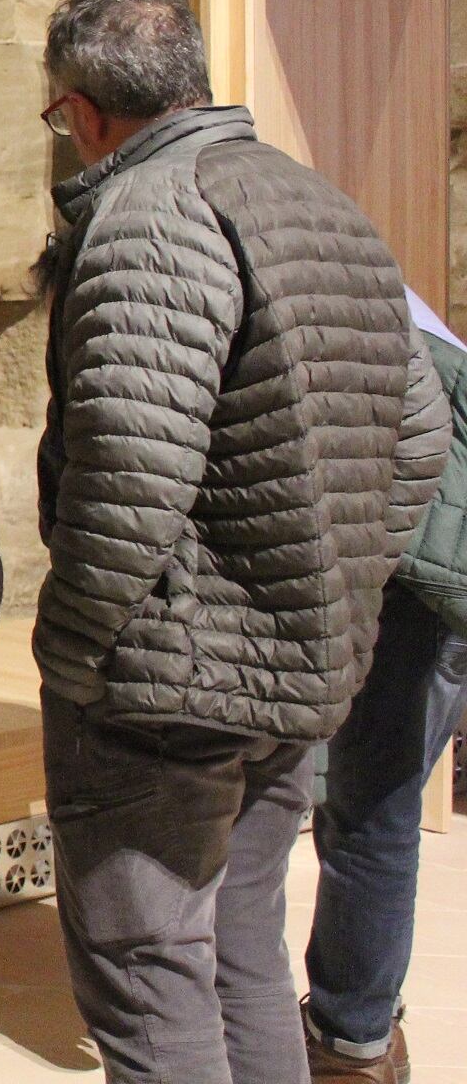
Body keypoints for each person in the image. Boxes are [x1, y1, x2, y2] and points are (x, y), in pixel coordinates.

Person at [31, 0, 447, 1084]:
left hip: (167, 688)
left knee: (150, 969)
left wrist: (71, 650)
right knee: (240, 951)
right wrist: (337, 588)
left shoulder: (151, 216)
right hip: (302, 668)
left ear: (79, 111)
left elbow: (130, 472)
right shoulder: (324, 204)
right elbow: (418, 436)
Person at [303, 291, 467, 1082]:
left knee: (373, 811)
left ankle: (351, 1040)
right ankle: (361, 1024)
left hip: (424, 571)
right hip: (430, 559)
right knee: (367, 807)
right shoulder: (357, 268)